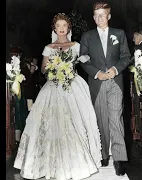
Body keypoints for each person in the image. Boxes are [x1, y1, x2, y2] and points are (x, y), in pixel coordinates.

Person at [13, 13, 102, 180]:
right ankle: (48, 162)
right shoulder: (49, 47)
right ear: (54, 28)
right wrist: (53, 68)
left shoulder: (76, 45)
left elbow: (85, 62)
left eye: (64, 25)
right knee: (51, 122)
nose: (61, 29)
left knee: (75, 120)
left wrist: (72, 67)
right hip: (53, 86)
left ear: (68, 28)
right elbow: (43, 69)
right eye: (58, 26)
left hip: (73, 85)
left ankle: (76, 163)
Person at [79, 2, 131, 176]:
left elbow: (126, 56)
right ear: (93, 17)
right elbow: (83, 59)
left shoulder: (119, 34)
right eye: (96, 15)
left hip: (116, 82)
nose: (99, 18)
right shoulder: (87, 36)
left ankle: (119, 159)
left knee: (116, 119)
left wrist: (115, 69)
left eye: (102, 15)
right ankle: (103, 155)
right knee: (101, 120)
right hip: (97, 83)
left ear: (109, 16)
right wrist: (96, 73)